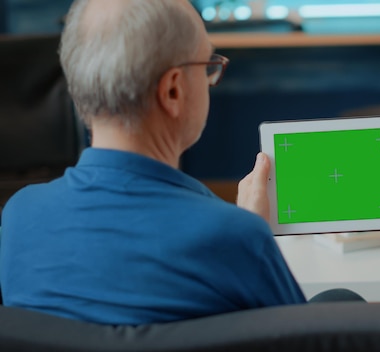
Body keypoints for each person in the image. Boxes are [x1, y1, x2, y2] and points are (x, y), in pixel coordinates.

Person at [0, 0, 305, 325]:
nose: (210, 79)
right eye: (207, 66)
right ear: (173, 90)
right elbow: (303, 338)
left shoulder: (19, 218)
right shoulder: (235, 237)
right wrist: (252, 231)